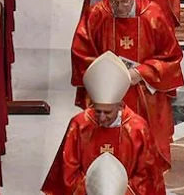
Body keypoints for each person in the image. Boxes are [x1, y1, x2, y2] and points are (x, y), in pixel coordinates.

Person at [71, 0, 183, 183]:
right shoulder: (97, 15)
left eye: (124, 1)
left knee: (144, 154)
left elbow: (171, 56)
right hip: (105, 97)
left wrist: (141, 72)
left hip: (143, 93)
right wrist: (106, 74)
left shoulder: (153, 16)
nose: (119, 7)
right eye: (114, 2)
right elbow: (80, 52)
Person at [42, 53, 158, 195]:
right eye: (98, 111)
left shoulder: (137, 129)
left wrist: (120, 191)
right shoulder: (79, 124)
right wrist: (93, 189)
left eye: (107, 112)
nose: (102, 118)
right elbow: (67, 171)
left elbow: (146, 175)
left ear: (120, 106)